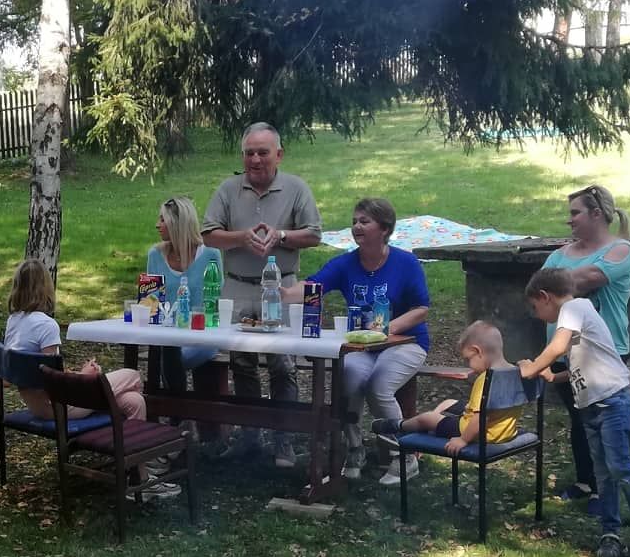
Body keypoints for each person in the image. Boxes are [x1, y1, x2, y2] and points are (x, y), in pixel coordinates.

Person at [519, 267, 630, 557]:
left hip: (612, 400)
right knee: (603, 473)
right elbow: (580, 361)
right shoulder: (576, 318)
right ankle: (610, 532)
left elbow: (558, 347)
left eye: (536, 308)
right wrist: (553, 376)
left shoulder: (574, 308)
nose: (537, 315)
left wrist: (532, 368)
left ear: (545, 297)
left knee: (620, 467)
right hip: (591, 405)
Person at [2, 259, 177, 500]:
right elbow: (51, 381)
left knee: (134, 401)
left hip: (37, 403)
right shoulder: (46, 325)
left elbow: (40, 372)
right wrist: (84, 377)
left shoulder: (14, 321)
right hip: (59, 406)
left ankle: (139, 476)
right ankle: (136, 468)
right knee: (133, 375)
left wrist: (78, 375)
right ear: (46, 287)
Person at [200, 123, 322, 466]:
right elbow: (208, 234)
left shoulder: (296, 188)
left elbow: (314, 234)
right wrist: (241, 238)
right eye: (249, 153)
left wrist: (281, 236)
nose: (255, 159)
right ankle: (250, 436)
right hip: (237, 285)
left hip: (281, 287)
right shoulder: (228, 189)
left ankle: (283, 440)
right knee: (242, 365)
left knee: (283, 364)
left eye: (263, 152)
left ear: (278, 155)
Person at [302, 197, 430, 483]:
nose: (356, 227)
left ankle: (404, 457)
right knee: (346, 376)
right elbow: (313, 287)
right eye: (354, 222)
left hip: (406, 343)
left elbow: (422, 309)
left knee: (379, 385)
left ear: (384, 228)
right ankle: (355, 448)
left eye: (364, 221)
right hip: (362, 345)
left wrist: (386, 329)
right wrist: (281, 292)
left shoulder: (405, 263)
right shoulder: (346, 263)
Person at [541, 184, 630, 507]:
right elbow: (541, 290)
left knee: (603, 423)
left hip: (602, 354)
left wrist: (557, 280)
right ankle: (587, 483)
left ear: (597, 214)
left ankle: (607, 492)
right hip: (563, 350)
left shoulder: (621, 250)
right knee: (580, 420)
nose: (570, 221)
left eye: (575, 213)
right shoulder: (558, 254)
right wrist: (555, 281)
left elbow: (586, 278)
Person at [372, 321, 523, 457]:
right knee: (448, 403)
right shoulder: (515, 372)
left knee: (427, 418)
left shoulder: (487, 379)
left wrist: (463, 440)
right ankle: (432, 429)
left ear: (478, 352)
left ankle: (399, 427)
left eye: (468, 359)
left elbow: (481, 418)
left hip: (475, 433)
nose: (468, 364)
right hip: (504, 431)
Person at [145, 196, 223, 396]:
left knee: (170, 354)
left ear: (178, 224)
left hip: (201, 333)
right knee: (168, 349)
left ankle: (177, 414)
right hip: (167, 334)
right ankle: (177, 416)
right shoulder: (154, 255)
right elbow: (150, 302)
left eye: (163, 220)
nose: (157, 225)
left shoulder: (210, 255)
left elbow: (215, 301)